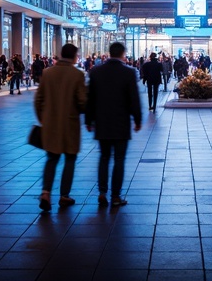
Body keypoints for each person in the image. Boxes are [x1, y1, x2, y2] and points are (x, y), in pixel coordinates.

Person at [86, 41, 142, 208]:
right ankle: (116, 196)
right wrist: (137, 120)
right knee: (119, 159)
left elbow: (90, 99)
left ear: (109, 53)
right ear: (123, 54)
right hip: (121, 122)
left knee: (103, 157)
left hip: (102, 122)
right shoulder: (128, 72)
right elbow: (134, 98)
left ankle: (102, 192)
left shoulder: (96, 71)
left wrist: (88, 120)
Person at [35, 43, 87, 211]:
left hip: (51, 124)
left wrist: (43, 119)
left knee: (52, 158)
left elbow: (38, 100)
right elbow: (82, 102)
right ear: (74, 56)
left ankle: (45, 193)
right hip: (70, 125)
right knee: (70, 159)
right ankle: (64, 195)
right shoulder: (77, 75)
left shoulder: (48, 73)